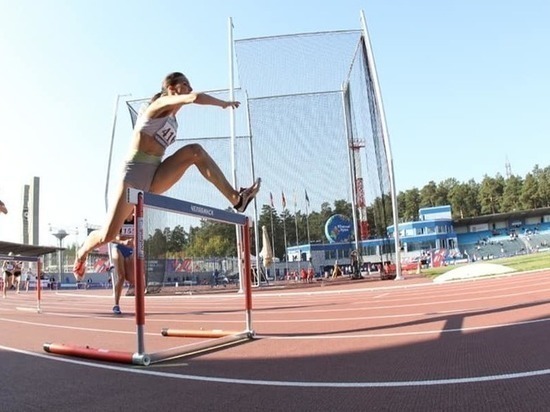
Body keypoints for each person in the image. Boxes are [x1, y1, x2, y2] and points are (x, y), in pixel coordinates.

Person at [73, 72, 261, 281]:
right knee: (107, 235)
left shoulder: (173, 120)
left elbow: (189, 99)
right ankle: (82, 251)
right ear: (171, 88)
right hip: (133, 175)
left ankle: (237, 199)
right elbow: (193, 98)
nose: (189, 88)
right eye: (185, 84)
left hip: (156, 174)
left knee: (195, 151)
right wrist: (223, 104)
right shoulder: (156, 106)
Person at [111, 215, 136, 315]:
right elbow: (112, 238)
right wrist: (123, 241)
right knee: (121, 277)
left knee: (131, 279)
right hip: (118, 248)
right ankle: (116, 305)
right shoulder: (121, 218)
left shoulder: (137, 219)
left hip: (130, 250)